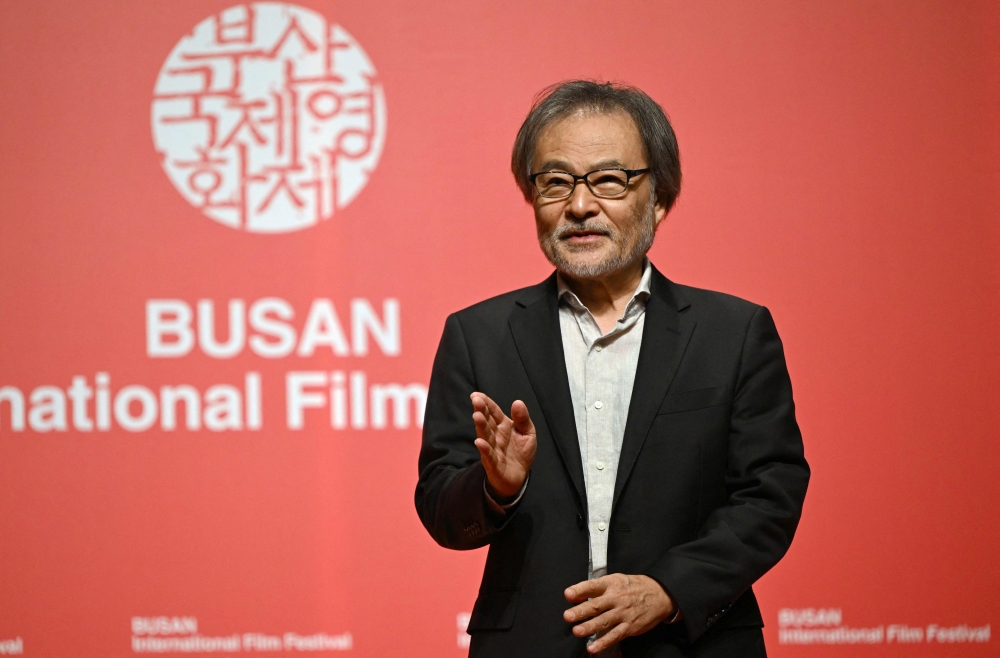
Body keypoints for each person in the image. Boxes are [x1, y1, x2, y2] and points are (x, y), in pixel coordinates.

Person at [415, 80, 809, 658]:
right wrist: (497, 490)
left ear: (660, 198)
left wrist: (670, 588)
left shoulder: (734, 333)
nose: (578, 205)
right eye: (554, 182)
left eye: (608, 179)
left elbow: (770, 494)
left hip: (692, 642)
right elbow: (440, 508)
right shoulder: (479, 335)